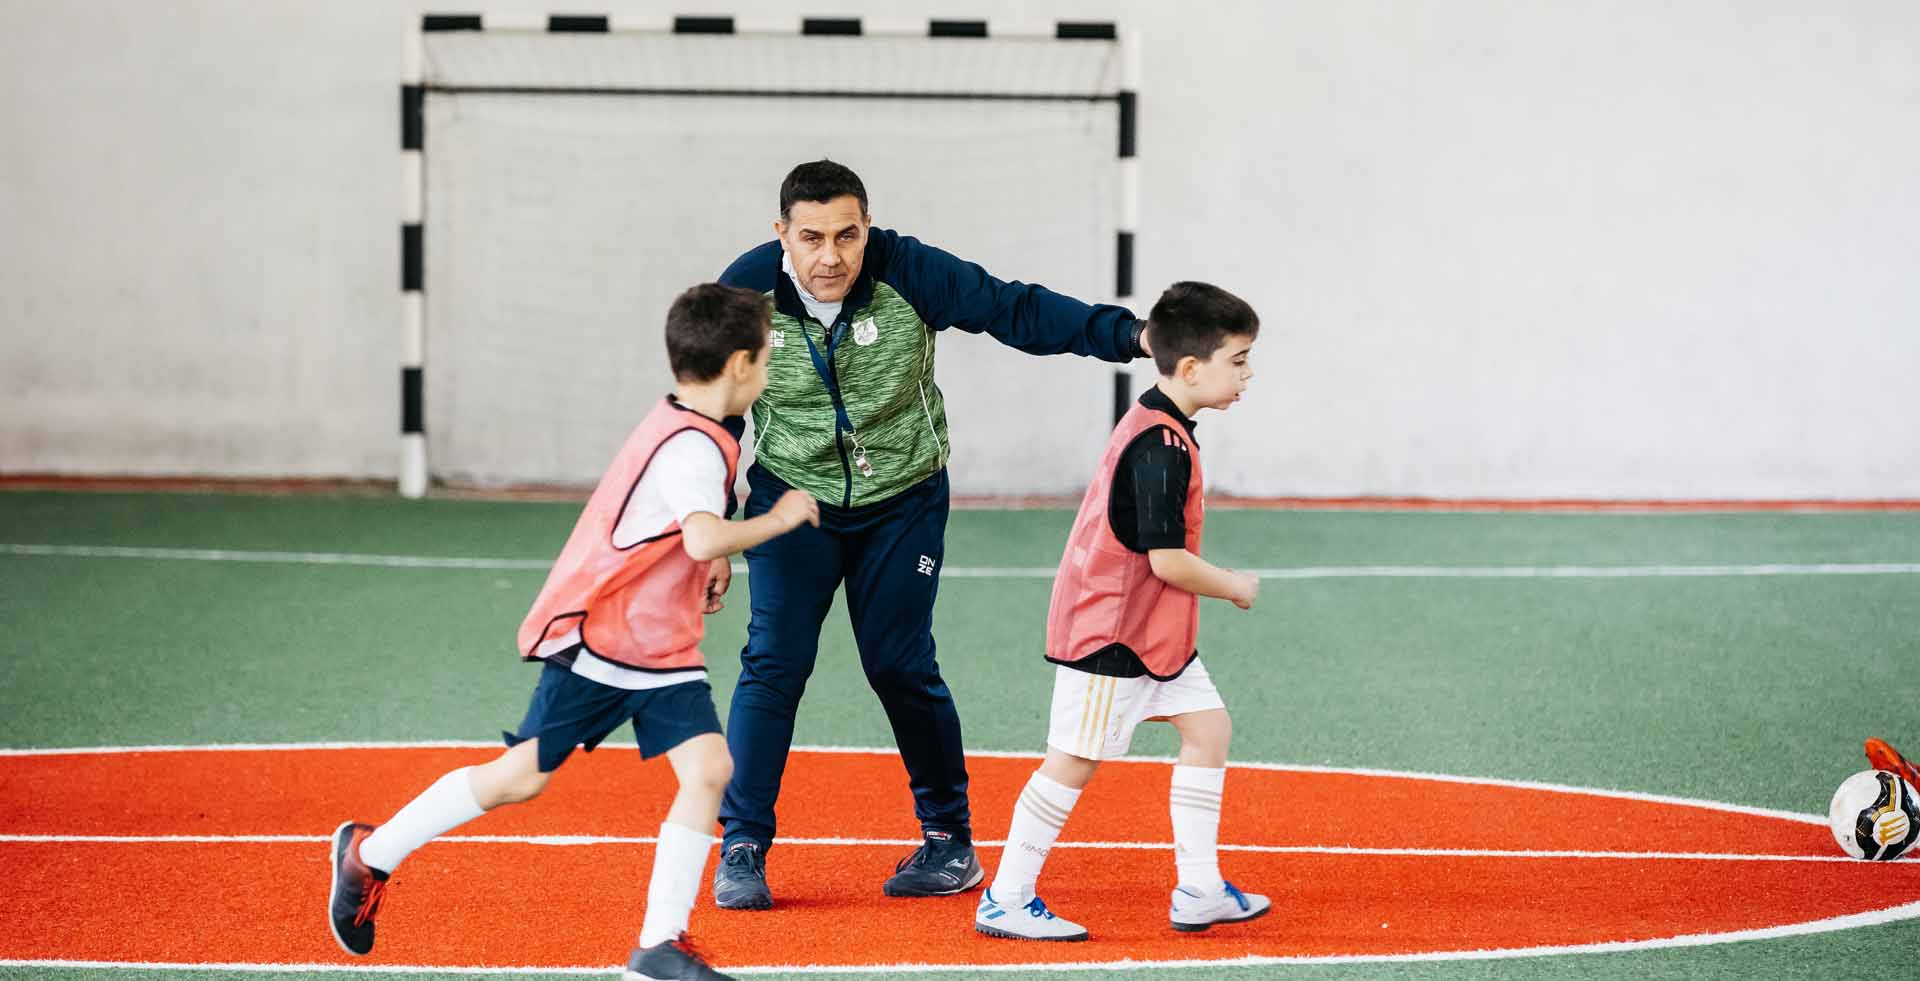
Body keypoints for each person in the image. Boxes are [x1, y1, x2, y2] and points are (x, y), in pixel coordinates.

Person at [325, 284, 820, 981]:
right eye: (766, 360)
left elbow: (687, 532)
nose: (768, 372)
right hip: (606, 642)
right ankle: (369, 854)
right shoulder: (692, 447)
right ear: (739, 363)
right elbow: (703, 529)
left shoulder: (693, 424)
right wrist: (779, 519)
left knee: (710, 769)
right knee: (519, 779)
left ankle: (659, 946)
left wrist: (707, 562)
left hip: (660, 647)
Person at [711, 159, 1152, 909]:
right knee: (773, 661)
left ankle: (949, 840)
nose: (831, 256)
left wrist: (1135, 335)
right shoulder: (743, 294)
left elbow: (1013, 309)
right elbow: (714, 409)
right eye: (811, 236)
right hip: (793, 500)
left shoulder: (909, 271)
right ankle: (742, 845)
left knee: (899, 663)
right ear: (781, 233)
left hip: (903, 498)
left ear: (867, 227)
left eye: (847, 234)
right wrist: (718, 522)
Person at [973, 282, 1268, 941]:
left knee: (1209, 728)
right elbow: (1166, 560)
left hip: (1152, 636)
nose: (1248, 374)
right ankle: (1006, 895)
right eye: (1239, 359)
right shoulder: (1158, 448)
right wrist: (1233, 584)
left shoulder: (1164, 429)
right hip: (1112, 638)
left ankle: (1198, 888)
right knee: (1073, 760)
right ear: (1191, 368)